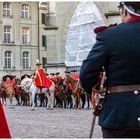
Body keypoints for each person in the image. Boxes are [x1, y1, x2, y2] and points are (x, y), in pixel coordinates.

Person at [80, 2, 140, 138]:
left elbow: (86, 74)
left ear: (124, 11)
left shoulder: (109, 35)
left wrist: (97, 90)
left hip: (119, 115)